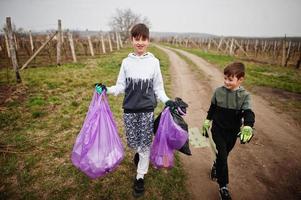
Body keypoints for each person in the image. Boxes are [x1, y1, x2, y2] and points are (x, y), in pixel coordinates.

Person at [95, 23, 174, 198]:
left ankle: (140, 176)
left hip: (146, 110)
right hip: (129, 110)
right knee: (134, 142)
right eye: (136, 39)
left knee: (145, 143)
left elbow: (158, 89)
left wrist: (168, 101)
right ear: (131, 40)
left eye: (143, 39)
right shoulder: (126, 63)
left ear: (148, 41)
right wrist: (106, 89)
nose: (140, 42)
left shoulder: (154, 63)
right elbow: (121, 86)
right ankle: (139, 156)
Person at [202, 62, 255, 200]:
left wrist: (248, 125)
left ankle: (215, 165)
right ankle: (223, 187)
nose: (226, 81)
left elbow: (248, 112)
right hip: (218, 130)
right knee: (223, 156)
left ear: (240, 79)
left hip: (232, 132)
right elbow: (213, 108)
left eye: (230, 79)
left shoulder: (245, 96)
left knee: (223, 156)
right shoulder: (218, 92)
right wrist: (207, 120)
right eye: (225, 78)